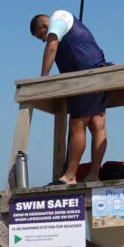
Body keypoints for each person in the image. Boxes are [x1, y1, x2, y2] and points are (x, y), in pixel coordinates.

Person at [29, 10, 113, 185]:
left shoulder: (57, 19)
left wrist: (42, 79)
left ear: (45, 26)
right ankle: (93, 175)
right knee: (97, 125)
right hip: (99, 71)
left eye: (41, 36)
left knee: (77, 125)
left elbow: (51, 46)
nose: (44, 40)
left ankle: (70, 176)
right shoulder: (69, 22)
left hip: (84, 77)